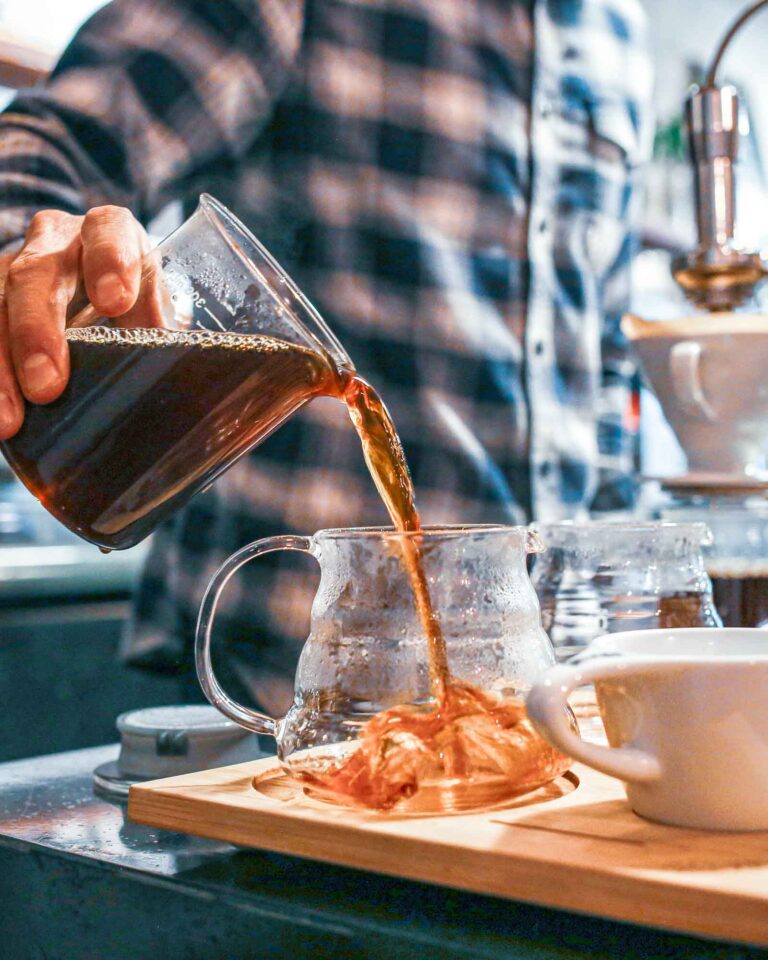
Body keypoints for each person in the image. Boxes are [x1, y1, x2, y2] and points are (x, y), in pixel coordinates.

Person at [0, 0, 652, 715]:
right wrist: (22, 254)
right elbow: (56, 142)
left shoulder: (618, 31)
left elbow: (604, 361)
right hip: (266, 696)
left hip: (530, 697)